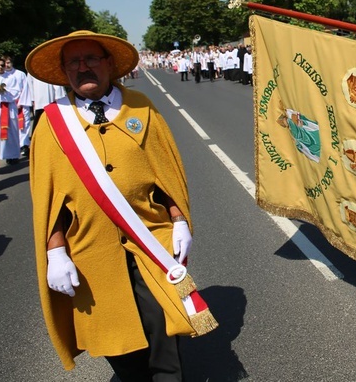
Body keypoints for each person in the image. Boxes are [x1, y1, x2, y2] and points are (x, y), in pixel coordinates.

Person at [27, 30, 216, 379]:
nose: (83, 68)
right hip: (89, 251)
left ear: (109, 64)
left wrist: (179, 220)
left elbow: (168, 171)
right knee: (117, 343)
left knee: (165, 328)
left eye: (91, 59)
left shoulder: (140, 106)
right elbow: (47, 199)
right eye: (74, 62)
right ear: (65, 71)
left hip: (151, 238)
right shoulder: (51, 123)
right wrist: (55, 251)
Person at [0, 57, 21, 164]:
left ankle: (14, 155)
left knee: (12, 131)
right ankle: (3, 153)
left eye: (2, 65)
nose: (1, 67)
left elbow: (16, 92)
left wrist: (6, 92)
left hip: (10, 107)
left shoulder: (11, 77)